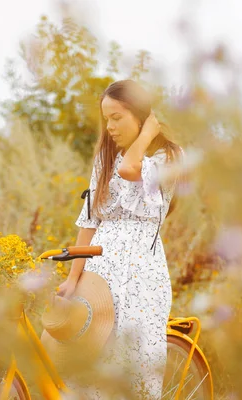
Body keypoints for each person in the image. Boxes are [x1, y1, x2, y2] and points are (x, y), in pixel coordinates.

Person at [56, 79, 182, 399]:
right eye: (106, 119)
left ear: (141, 116)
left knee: (132, 364)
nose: (109, 127)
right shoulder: (105, 158)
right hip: (100, 272)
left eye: (117, 117)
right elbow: (90, 219)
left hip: (142, 275)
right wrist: (73, 277)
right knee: (92, 361)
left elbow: (130, 170)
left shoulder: (168, 156)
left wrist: (148, 134)